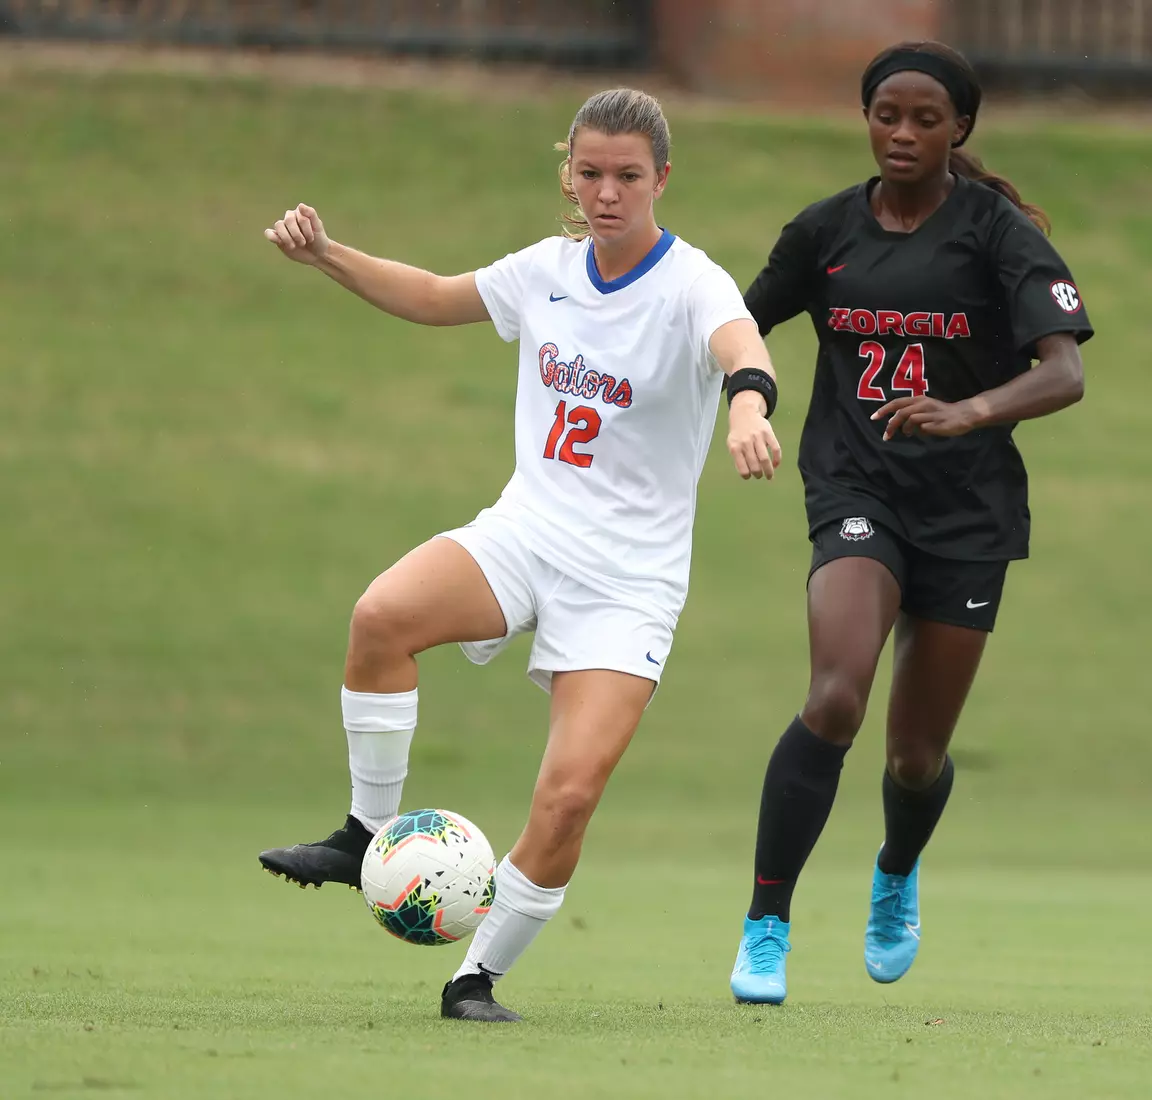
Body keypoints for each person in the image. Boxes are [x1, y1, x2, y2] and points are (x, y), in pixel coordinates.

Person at [253, 88, 784, 1023]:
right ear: (567, 175)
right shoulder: (545, 268)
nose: (607, 193)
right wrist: (326, 253)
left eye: (628, 176)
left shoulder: (694, 281)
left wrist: (747, 406)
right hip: (527, 532)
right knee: (380, 617)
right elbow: (431, 296)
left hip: (629, 581)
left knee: (568, 797)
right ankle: (364, 833)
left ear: (663, 178)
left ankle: (474, 979)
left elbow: (742, 345)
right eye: (589, 174)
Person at [727, 41, 1093, 1005]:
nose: (903, 133)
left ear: (959, 128)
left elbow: (1066, 371)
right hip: (856, 490)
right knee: (837, 693)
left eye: (926, 118)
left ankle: (895, 871)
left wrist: (966, 412)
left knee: (913, 755)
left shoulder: (997, 232)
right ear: (866, 117)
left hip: (968, 512)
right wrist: (746, 398)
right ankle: (767, 922)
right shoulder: (825, 232)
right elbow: (736, 321)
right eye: (888, 114)